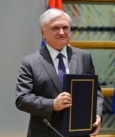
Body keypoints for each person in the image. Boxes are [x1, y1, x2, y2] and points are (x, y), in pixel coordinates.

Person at [15, 8, 103, 137]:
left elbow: (95, 91)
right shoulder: (29, 62)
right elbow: (22, 99)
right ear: (42, 32)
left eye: (65, 27)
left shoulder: (84, 56)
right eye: (55, 28)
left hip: (79, 131)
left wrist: (97, 114)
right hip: (45, 132)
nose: (62, 32)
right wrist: (52, 104)